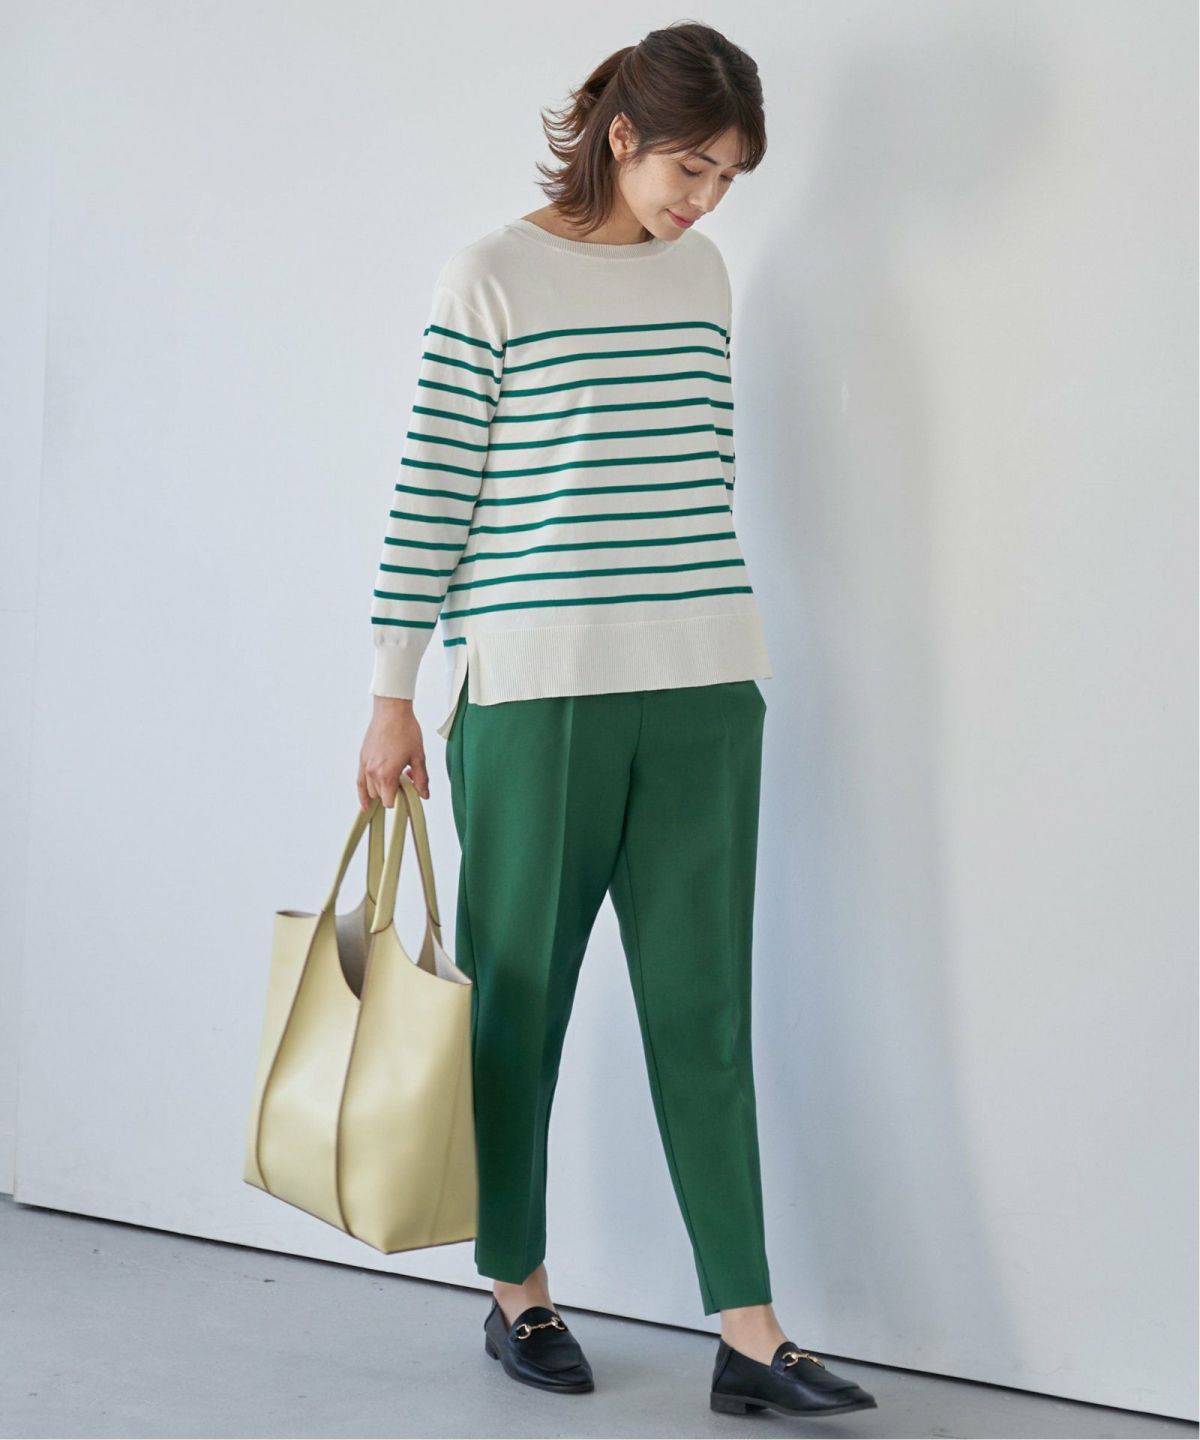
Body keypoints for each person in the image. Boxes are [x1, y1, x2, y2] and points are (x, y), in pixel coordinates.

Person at [356, 21, 878, 1422]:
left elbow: (701, 471)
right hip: (536, 693)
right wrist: (393, 690)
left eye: (731, 179)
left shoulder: (703, 276)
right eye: (692, 168)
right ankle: (516, 1289)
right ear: (624, 135)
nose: (708, 201)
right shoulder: (492, 275)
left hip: (706, 682)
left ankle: (750, 1335)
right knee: (518, 1002)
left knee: (705, 1009)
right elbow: (432, 490)